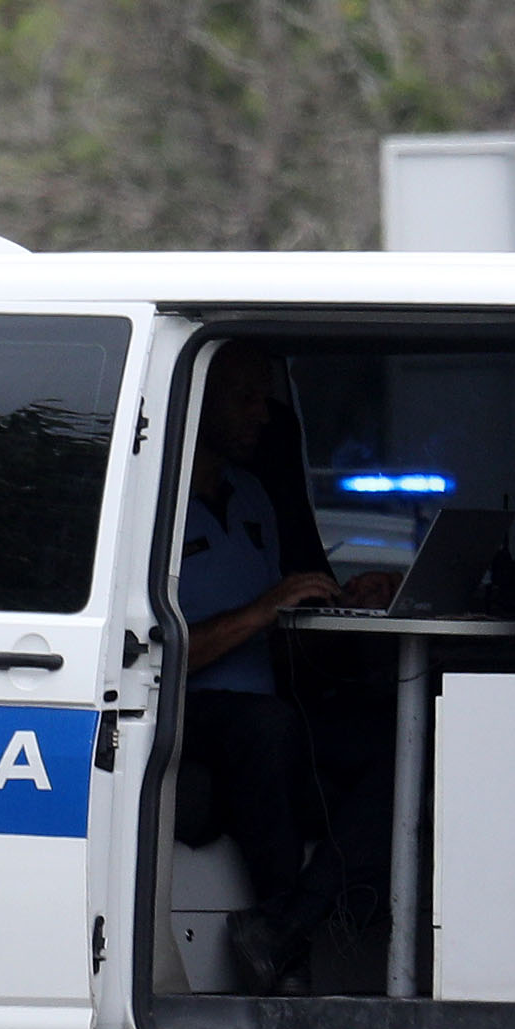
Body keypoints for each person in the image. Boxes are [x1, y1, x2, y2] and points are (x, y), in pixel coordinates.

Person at [175, 345, 381, 991]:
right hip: (179, 709)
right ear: (197, 400)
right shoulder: (153, 505)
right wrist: (264, 607)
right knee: (264, 725)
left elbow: (278, 642)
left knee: (404, 740)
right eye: (246, 398)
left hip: (263, 703)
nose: (263, 416)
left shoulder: (253, 494)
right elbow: (147, 650)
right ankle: (285, 930)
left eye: (266, 398)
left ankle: (289, 921)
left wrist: (351, 608)